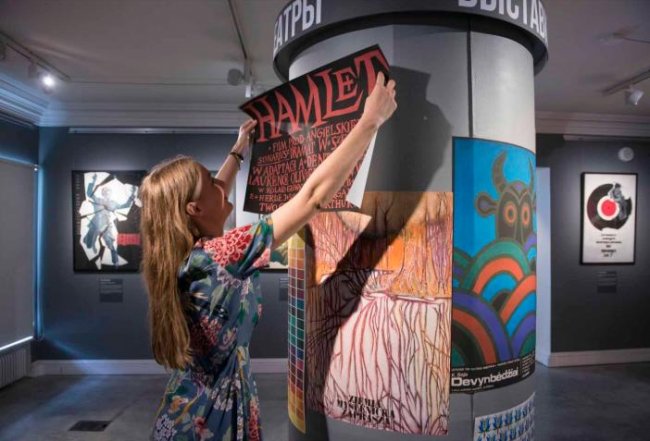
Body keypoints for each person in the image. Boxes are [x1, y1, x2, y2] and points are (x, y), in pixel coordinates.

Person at [140, 72, 397, 441]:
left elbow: (217, 190)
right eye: (209, 181)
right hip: (212, 421)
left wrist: (238, 149)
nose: (220, 183)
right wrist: (370, 120)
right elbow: (311, 198)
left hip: (185, 405)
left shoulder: (183, 258)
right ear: (194, 209)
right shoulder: (221, 256)